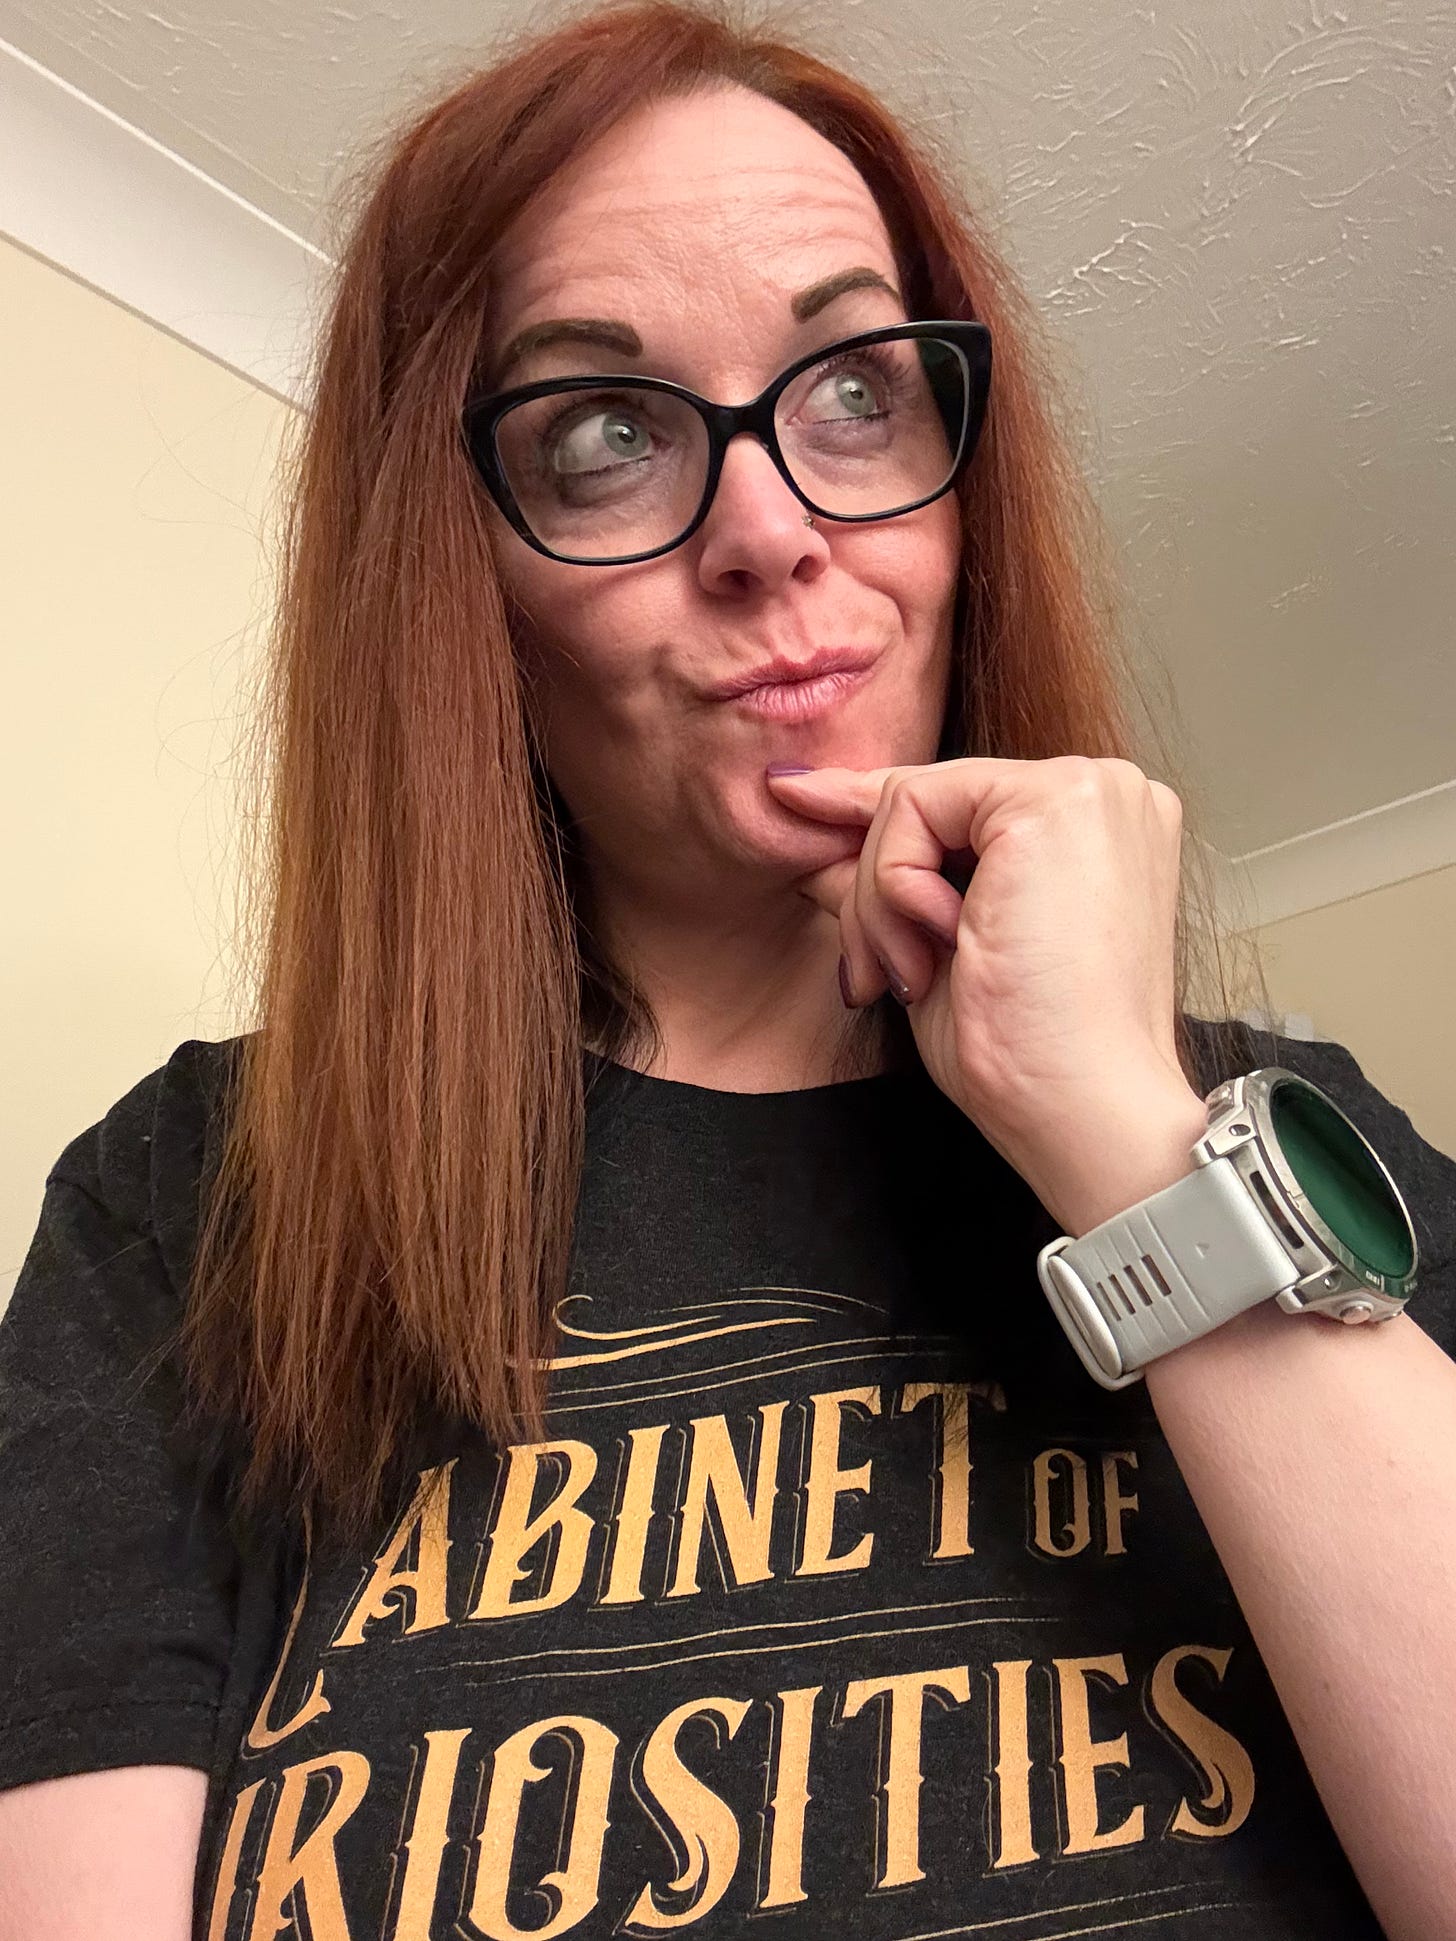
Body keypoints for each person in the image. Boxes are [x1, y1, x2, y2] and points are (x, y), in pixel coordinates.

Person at [1, 4, 1454, 1937]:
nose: (774, 531)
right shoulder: (189, 1193)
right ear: (460, 571)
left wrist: (1122, 1125)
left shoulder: (1290, 1147)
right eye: (607, 434)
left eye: (856, 389)